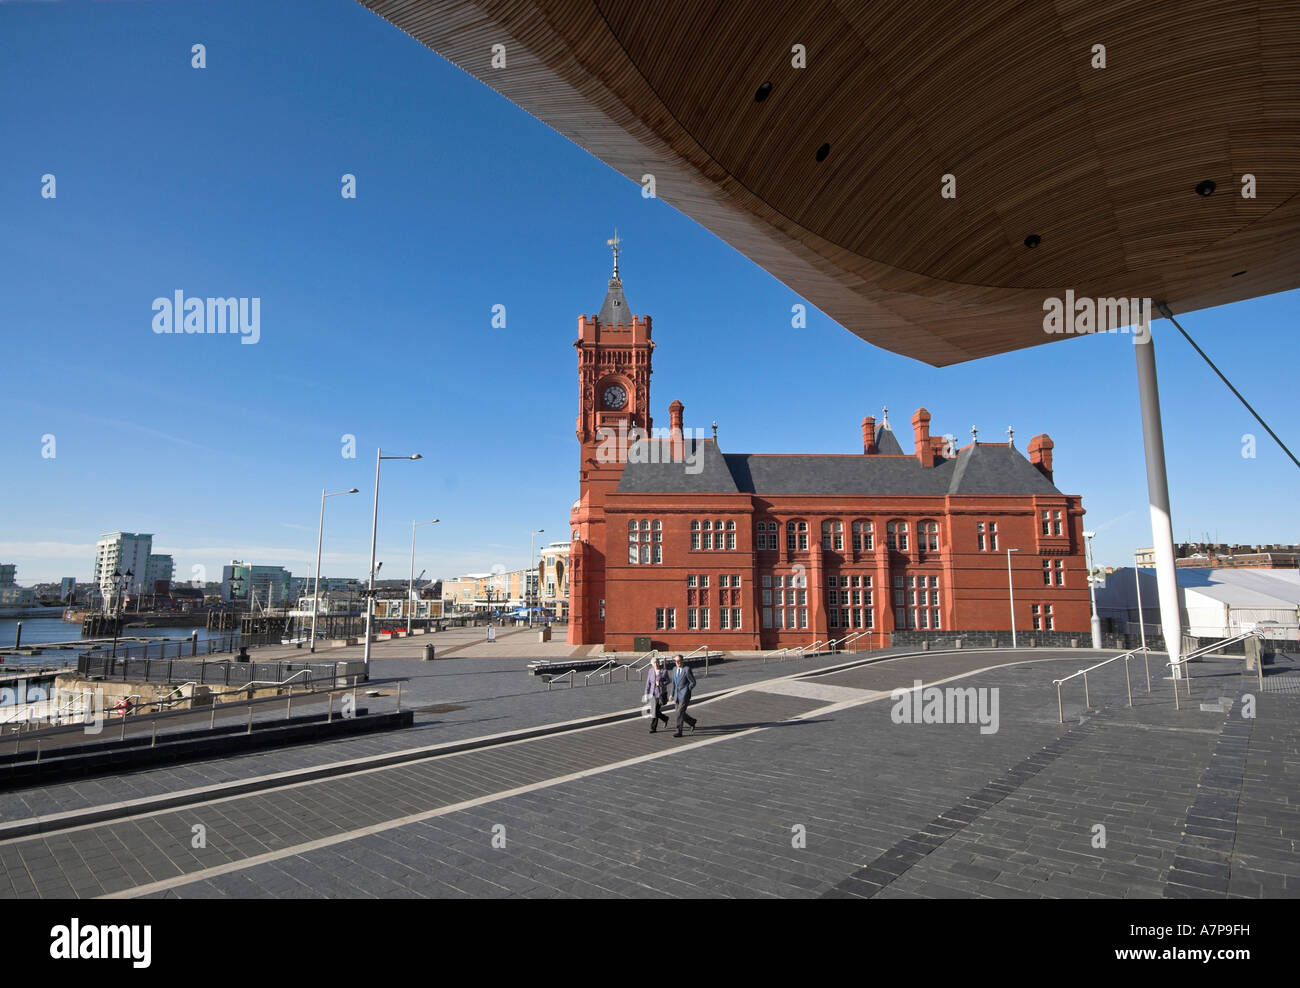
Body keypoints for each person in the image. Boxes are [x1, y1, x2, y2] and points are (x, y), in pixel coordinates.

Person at [670, 654, 698, 737]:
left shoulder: (686, 669)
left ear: (682, 661)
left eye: (679, 661)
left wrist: (687, 689)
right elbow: (673, 683)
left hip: (684, 695)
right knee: (679, 712)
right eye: (675, 661)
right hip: (676, 695)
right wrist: (671, 694)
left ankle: (679, 731)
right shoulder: (674, 669)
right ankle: (692, 722)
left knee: (680, 712)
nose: (677, 662)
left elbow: (693, 682)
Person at [643, 657, 671, 733]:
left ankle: (653, 728)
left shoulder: (664, 671)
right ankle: (664, 719)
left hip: (660, 694)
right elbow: (648, 683)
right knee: (654, 711)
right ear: (652, 664)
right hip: (653, 694)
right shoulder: (650, 671)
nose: (657, 664)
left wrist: (661, 683)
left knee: (654, 711)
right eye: (655, 663)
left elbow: (668, 681)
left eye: (658, 662)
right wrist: (646, 693)